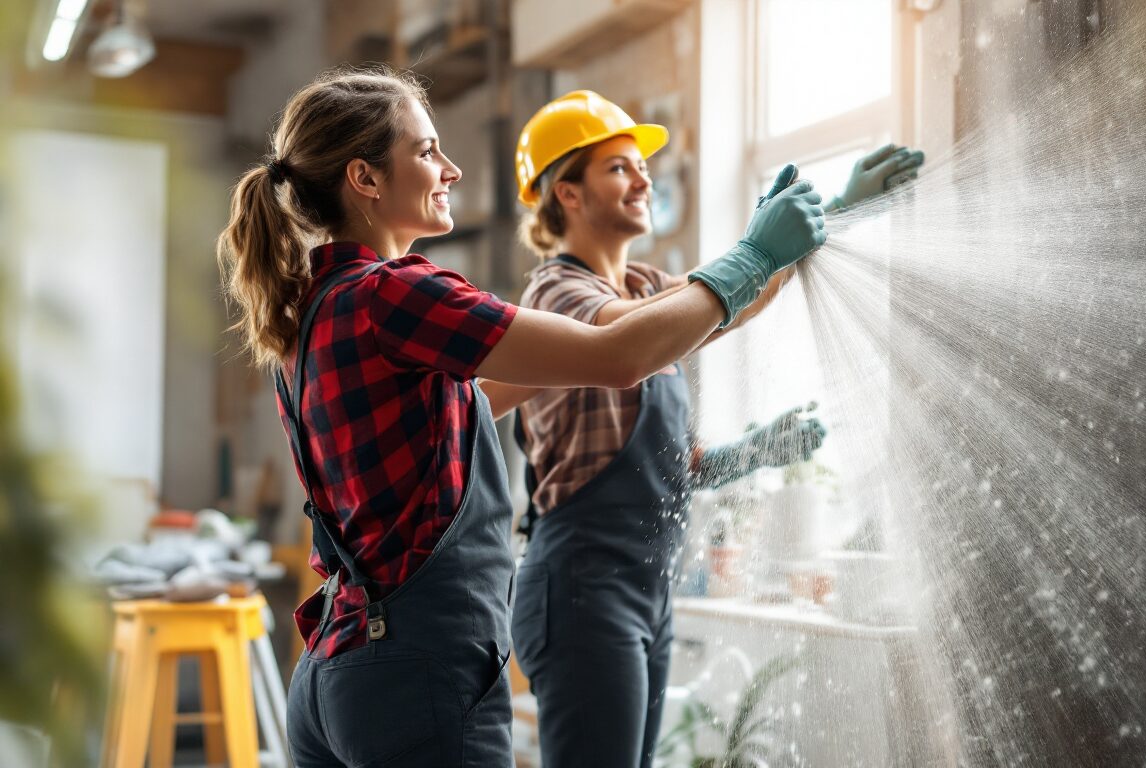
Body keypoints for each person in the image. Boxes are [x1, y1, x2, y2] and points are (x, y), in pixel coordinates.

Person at [215, 68, 826, 768]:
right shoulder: (397, 292)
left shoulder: (316, 311)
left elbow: (517, 384)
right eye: (426, 151)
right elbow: (619, 354)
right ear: (365, 178)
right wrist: (753, 254)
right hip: (420, 675)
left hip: (339, 667)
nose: (451, 169)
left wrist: (784, 253)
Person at [508, 90, 925, 768]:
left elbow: (730, 303)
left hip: (646, 586)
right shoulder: (556, 293)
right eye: (619, 167)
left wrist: (834, 218)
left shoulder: (645, 290)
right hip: (583, 583)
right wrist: (754, 254)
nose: (643, 177)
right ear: (569, 193)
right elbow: (639, 330)